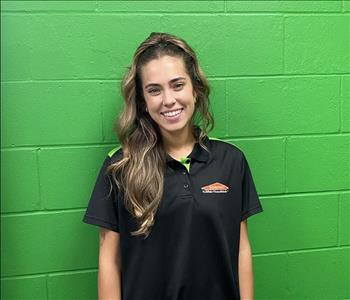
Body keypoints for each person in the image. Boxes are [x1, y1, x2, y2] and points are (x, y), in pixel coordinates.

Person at [82, 32, 264, 300]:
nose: (168, 100)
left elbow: (241, 249)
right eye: (154, 90)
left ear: (195, 89)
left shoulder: (231, 160)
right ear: (143, 101)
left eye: (177, 85)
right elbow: (110, 261)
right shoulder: (120, 165)